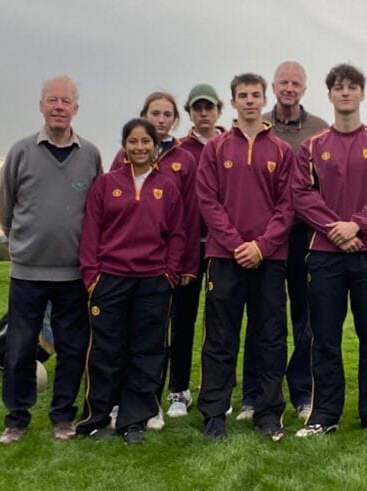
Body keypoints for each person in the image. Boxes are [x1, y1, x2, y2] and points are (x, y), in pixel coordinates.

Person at [292, 64, 367, 439]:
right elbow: (301, 195)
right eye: (338, 87)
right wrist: (334, 230)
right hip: (324, 255)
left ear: (361, 94)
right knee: (324, 338)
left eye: (351, 87)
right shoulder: (312, 146)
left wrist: (356, 225)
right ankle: (324, 415)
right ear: (329, 95)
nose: (345, 93)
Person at [0, 75, 102, 445]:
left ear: (76, 108)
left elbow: (97, 212)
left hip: (73, 273)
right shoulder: (21, 151)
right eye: (52, 100)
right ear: (41, 105)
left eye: (66, 101)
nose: (59, 107)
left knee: (73, 348)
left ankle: (62, 417)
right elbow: (5, 210)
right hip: (27, 272)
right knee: (20, 348)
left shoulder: (90, 155)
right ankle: (16, 420)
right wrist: (25, 244)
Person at [75, 118, 186, 444]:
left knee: (146, 352)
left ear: (155, 146)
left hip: (152, 282)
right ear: (124, 146)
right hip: (110, 280)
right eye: (133, 141)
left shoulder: (167, 186)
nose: (139, 147)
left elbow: (177, 235)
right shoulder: (106, 184)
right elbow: (91, 232)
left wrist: (169, 274)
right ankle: (96, 419)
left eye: (145, 141)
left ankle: (133, 421)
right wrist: (92, 276)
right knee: (105, 352)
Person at [196, 73, 294, 441]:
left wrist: (261, 246)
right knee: (220, 338)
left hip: (269, 259)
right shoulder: (216, 148)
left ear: (264, 99)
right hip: (225, 257)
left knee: (270, 338)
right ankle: (214, 415)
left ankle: (268, 413)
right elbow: (208, 201)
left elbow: (288, 205)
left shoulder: (282, 150)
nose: (249, 100)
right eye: (243, 95)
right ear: (233, 102)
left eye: (255, 94)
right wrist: (237, 243)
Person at [239, 61, 329, 421]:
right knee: (262, 318)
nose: (289, 89)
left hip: (307, 235)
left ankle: (303, 392)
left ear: (304, 89)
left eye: (296, 83)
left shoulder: (320, 129)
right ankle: (252, 395)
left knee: (307, 319)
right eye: (283, 83)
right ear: (273, 88)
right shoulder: (258, 124)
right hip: (268, 238)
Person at [108, 92, 200, 426]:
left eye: (167, 114)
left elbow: (191, 216)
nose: (161, 119)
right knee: (132, 334)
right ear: (144, 115)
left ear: (175, 119)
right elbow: (110, 206)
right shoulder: (124, 156)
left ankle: (168, 395)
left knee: (171, 331)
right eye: (155, 113)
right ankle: (125, 399)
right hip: (129, 263)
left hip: (171, 262)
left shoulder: (184, 158)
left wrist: (188, 263)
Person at [170, 83, 227, 417]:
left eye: (209, 107)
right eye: (197, 108)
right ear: (189, 113)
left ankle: (216, 389)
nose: (203, 113)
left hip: (222, 246)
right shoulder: (179, 150)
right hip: (188, 248)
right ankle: (178, 390)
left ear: (219, 110)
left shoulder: (229, 144)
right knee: (182, 320)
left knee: (219, 323)